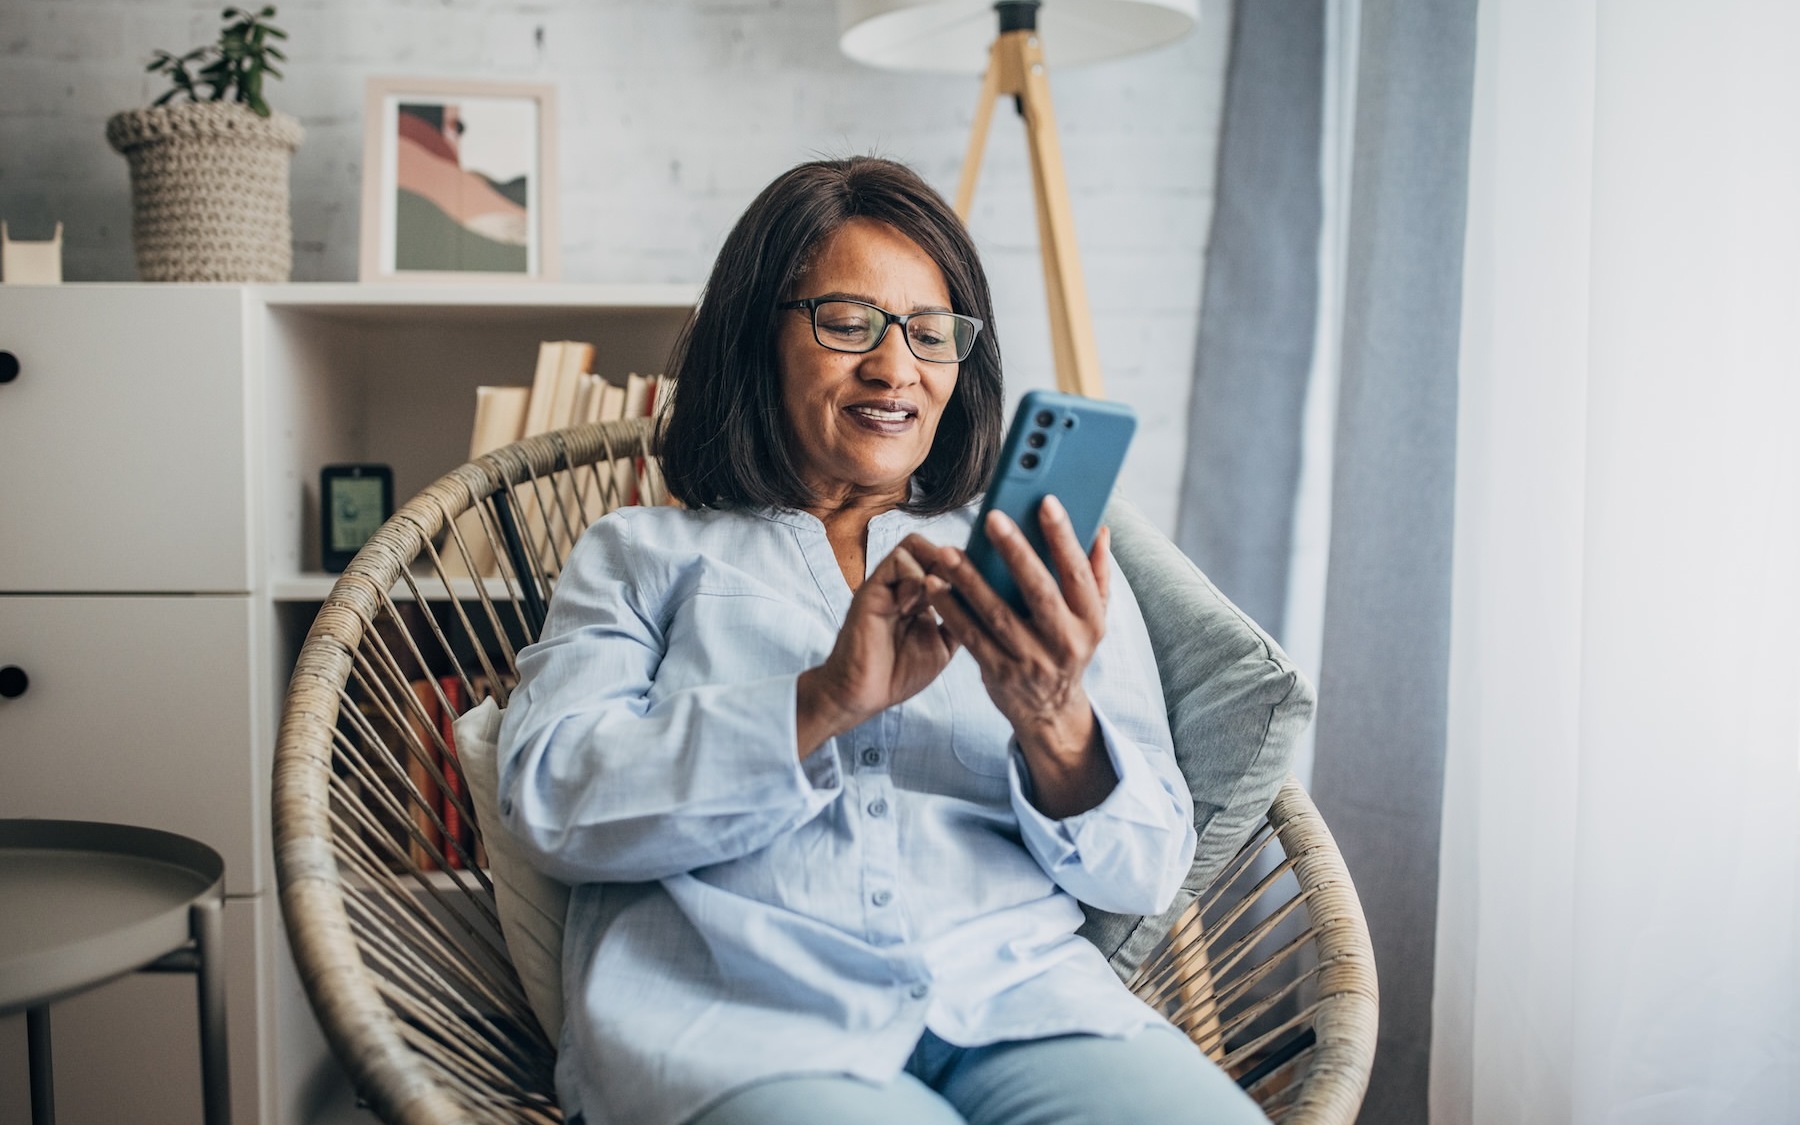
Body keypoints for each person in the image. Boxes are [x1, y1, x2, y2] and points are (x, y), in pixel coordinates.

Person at [496, 156, 1266, 1125]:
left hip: (1021, 1005)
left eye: (929, 332)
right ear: (755, 340)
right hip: (746, 1026)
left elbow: (1146, 870)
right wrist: (822, 702)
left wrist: (1056, 721)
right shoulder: (639, 555)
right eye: (848, 323)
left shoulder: (1026, 561)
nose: (896, 368)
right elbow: (552, 799)